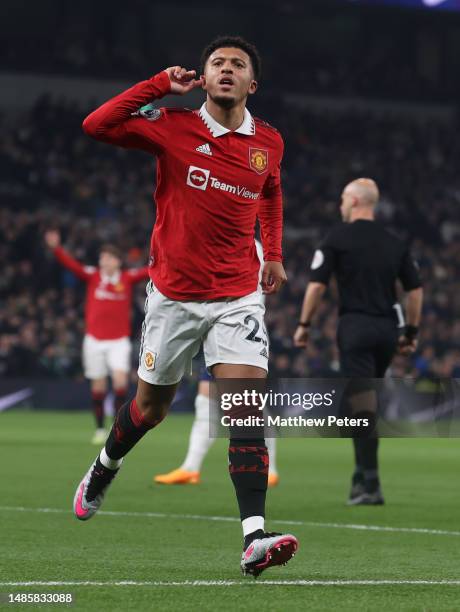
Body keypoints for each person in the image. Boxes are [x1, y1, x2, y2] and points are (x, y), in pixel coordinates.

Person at [73, 36, 298, 577]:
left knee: (245, 407)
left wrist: (274, 254)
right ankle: (104, 466)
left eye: (236, 64)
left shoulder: (268, 140)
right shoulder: (172, 125)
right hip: (173, 296)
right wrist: (157, 86)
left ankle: (254, 538)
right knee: (150, 410)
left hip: (237, 295)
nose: (225, 69)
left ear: (251, 84)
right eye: (216, 63)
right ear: (203, 76)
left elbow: (270, 191)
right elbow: (96, 125)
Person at [294, 178, 423, 505]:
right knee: (365, 402)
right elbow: (415, 289)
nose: (340, 205)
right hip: (386, 332)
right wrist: (411, 332)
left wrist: (304, 324)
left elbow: (316, 285)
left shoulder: (337, 238)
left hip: (355, 328)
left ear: (353, 201)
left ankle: (370, 484)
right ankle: (360, 476)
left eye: (341, 199)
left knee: (360, 407)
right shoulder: (395, 242)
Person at [154, 241, 280, 487]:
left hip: (237, 328)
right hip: (218, 326)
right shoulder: (238, 242)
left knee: (246, 406)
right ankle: (191, 467)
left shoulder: (249, 247)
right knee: (210, 399)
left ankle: (269, 468)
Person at [45, 230, 149, 443]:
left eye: (108, 258)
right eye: (102, 258)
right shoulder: (93, 276)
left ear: (118, 262)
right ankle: (100, 429)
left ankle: (117, 425)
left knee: (120, 381)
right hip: (94, 340)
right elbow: (71, 265)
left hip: (118, 340)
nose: (103, 261)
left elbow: (150, 271)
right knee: (98, 386)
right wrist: (56, 248)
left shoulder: (127, 278)